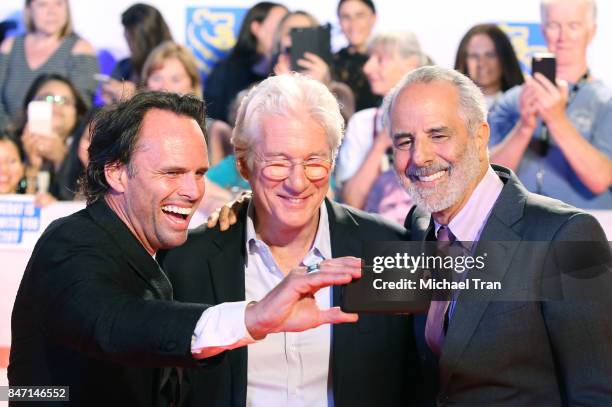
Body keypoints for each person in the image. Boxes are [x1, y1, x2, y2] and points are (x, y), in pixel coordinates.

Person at [9, 90, 362, 406]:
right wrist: (253, 317)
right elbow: (113, 323)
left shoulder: (158, 244)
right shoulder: (71, 243)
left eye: (198, 173)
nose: (193, 191)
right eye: (172, 173)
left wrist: (253, 209)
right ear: (116, 173)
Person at [160, 73, 423, 407]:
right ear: (244, 164)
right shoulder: (187, 262)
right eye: (278, 163)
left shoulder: (385, 250)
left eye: (314, 161)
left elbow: (422, 378)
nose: (298, 182)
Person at [384, 64, 611, 405]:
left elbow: (596, 393)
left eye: (438, 135)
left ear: (480, 136)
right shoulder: (417, 224)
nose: (420, 156)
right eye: (405, 141)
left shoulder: (568, 236)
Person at [488, 0, 612, 209]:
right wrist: (524, 127)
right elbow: (487, 178)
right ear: (544, 30)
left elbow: (601, 179)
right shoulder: (513, 100)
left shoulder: (605, 102)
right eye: (554, 25)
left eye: (574, 25)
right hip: (520, 228)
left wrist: (557, 120)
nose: (563, 37)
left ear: (592, 31)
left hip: (585, 229)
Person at [336, 31, 426, 208]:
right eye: (369, 59)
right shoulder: (362, 122)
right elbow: (351, 202)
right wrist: (381, 142)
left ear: (411, 64)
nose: (367, 68)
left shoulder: (439, 119)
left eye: (380, 60)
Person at [0, 0, 98, 131]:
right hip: (8, 136)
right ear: (29, 9)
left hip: (56, 139)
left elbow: (80, 108)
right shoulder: (10, 45)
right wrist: (8, 134)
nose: (52, 12)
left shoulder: (80, 49)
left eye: (58, 3)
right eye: (43, 4)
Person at [204, 2, 288, 122]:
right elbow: (211, 118)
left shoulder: (290, 68)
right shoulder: (226, 71)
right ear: (256, 28)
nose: (285, 31)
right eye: (280, 24)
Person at [17, 73, 89, 201]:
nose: (56, 106)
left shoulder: (86, 148)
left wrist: (61, 159)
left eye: (65, 101)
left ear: (77, 113)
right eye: (47, 98)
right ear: (29, 106)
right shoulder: (11, 144)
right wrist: (30, 167)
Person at [102, 3, 173, 104]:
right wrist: (111, 98)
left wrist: (135, 95)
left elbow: (173, 103)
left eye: (131, 36)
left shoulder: (174, 64)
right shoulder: (123, 67)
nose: (125, 36)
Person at [454, 23, 524, 108]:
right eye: (474, 56)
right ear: (463, 60)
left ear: (505, 59)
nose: (482, 63)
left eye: (490, 55)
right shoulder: (451, 105)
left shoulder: (521, 104)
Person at [333, 0, 380, 111]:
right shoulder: (331, 63)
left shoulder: (388, 59)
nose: (353, 24)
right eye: (346, 17)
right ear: (339, 22)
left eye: (360, 16)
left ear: (373, 18)